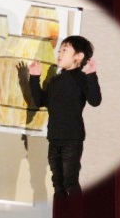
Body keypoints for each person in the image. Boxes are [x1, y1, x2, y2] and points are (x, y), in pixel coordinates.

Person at [28, 35, 101, 196]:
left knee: (70, 182)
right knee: (58, 183)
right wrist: (34, 78)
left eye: (64, 50)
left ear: (79, 56)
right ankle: (61, 212)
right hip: (54, 138)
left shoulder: (82, 78)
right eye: (59, 50)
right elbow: (40, 101)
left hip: (72, 139)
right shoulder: (55, 80)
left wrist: (91, 75)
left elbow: (95, 101)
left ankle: (77, 211)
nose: (59, 54)